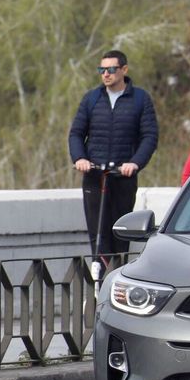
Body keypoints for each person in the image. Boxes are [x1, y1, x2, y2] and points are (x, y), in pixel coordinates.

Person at [68, 48, 158, 267]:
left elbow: (149, 136)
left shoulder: (139, 99)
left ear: (123, 70)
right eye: (102, 69)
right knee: (97, 233)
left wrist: (135, 163)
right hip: (94, 175)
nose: (106, 74)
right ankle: (98, 277)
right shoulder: (91, 99)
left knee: (121, 232)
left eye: (111, 69)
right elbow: (76, 133)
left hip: (122, 177)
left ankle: (118, 276)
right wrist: (80, 158)